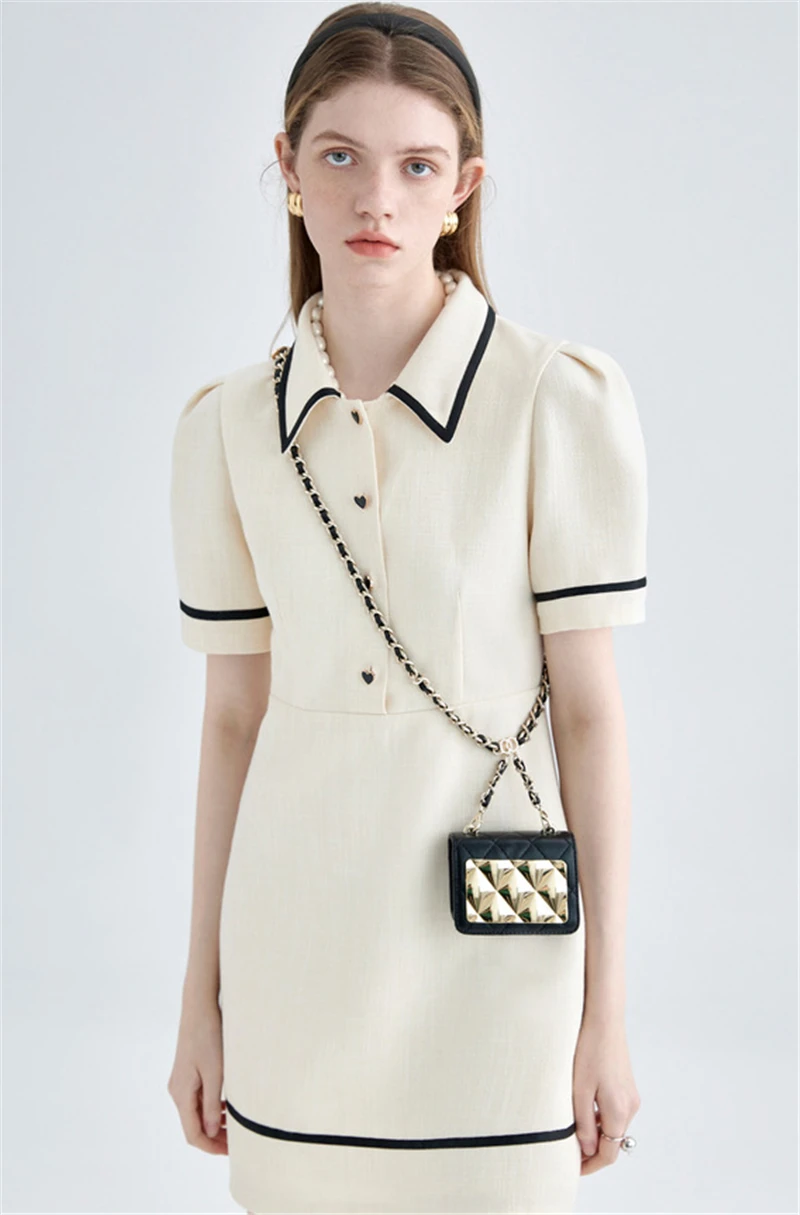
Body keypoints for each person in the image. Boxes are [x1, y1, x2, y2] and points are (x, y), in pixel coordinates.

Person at [166, 4, 646, 1212]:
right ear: (287, 168)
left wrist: (606, 1014)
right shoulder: (227, 428)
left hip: (500, 965)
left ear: (462, 187)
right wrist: (197, 1001)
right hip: (294, 957)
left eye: (416, 165)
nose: (375, 198)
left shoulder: (552, 400)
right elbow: (231, 721)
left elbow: (589, 717)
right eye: (339, 156)